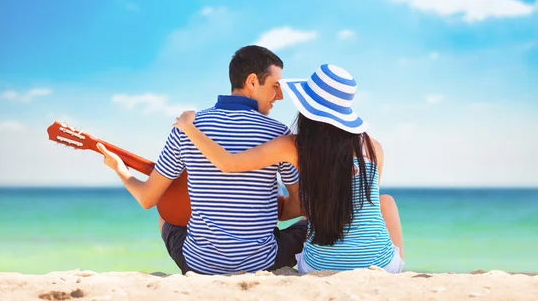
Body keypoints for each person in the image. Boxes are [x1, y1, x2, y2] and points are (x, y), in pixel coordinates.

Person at [172, 63, 405, 273]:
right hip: (380, 266)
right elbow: (363, 205)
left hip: (318, 267)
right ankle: (397, 271)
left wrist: (189, 128)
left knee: (313, 212)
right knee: (385, 201)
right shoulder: (374, 149)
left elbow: (228, 163)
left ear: (306, 107)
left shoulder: (294, 146)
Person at [96, 45, 306, 275]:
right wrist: (260, 209)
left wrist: (120, 170)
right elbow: (298, 204)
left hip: (198, 267)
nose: (280, 96)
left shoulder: (187, 126)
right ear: (253, 81)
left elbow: (147, 198)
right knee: (310, 223)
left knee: (164, 217)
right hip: (262, 265)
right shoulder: (278, 133)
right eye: (275, 86)